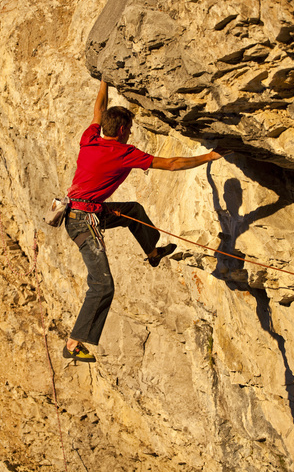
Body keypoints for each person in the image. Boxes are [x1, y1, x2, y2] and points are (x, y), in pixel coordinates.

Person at [63, 79, 230, 363]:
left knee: (134, 210)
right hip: (85, 221)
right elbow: (172, 163)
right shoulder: (124, 153)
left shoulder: (90, 137)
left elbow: (97, 109)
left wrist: (104, 80)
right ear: (124, 130)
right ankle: (73, 343)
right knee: (103, 285)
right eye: (130, 129)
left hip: (81, 211)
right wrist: (212, 156)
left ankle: (152, 253)